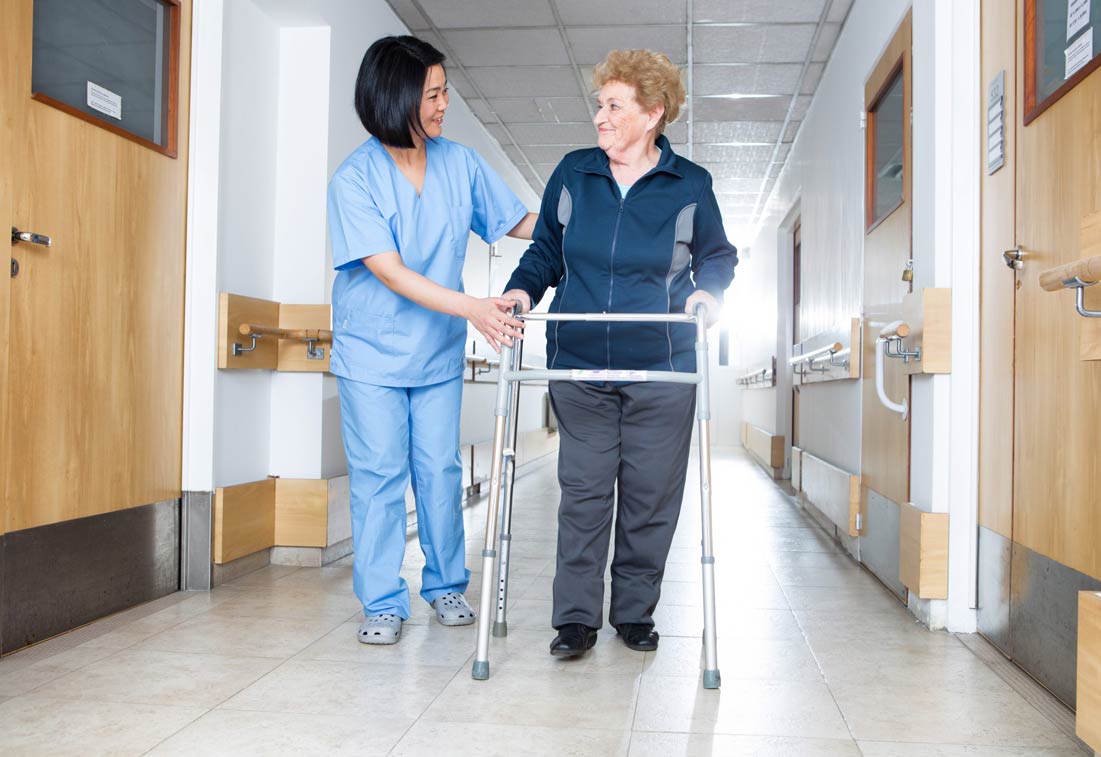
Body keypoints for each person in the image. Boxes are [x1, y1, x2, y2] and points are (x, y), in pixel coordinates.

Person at [502, 49, 737, 658]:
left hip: (662, 365)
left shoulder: (689, 184)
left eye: (614, 106)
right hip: (580, 363)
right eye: (599, 104)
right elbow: (545, 253)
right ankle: (575, 620)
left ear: (653, 113)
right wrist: (520, 291)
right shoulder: (575, 174)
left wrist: (707, 296)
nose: (600, 117)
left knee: (650, 494)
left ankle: (634, 612)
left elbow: (717, 256)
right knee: (583, 492)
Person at [328, 36, 535, 645]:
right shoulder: (355, 179)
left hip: (437, 353)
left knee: (439, 472)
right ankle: (383, 601)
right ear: (397, 98)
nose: (447, 103)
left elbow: (517, 221)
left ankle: (446, 585)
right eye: (435, 94)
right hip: (372, 353)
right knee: (379, 475)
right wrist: (474, 308)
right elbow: (389, 270)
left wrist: (588, 215)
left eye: (445, 90)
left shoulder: (460, 164)